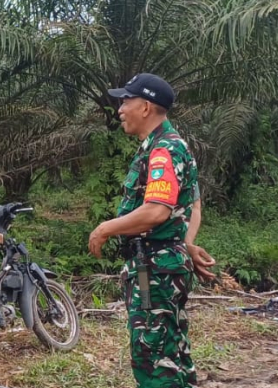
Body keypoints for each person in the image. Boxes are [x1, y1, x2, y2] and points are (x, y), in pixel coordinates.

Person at [88, 73, 202, 388]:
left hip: (153, 269)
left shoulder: (163, 150)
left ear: (146, 106)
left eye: (126, 101)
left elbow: (156, 211)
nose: (120, 108)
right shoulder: (165, 145)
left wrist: (104, 228)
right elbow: (191, 205)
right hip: (158, 265)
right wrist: (186, 244)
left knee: (152, 355)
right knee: (172, 350)